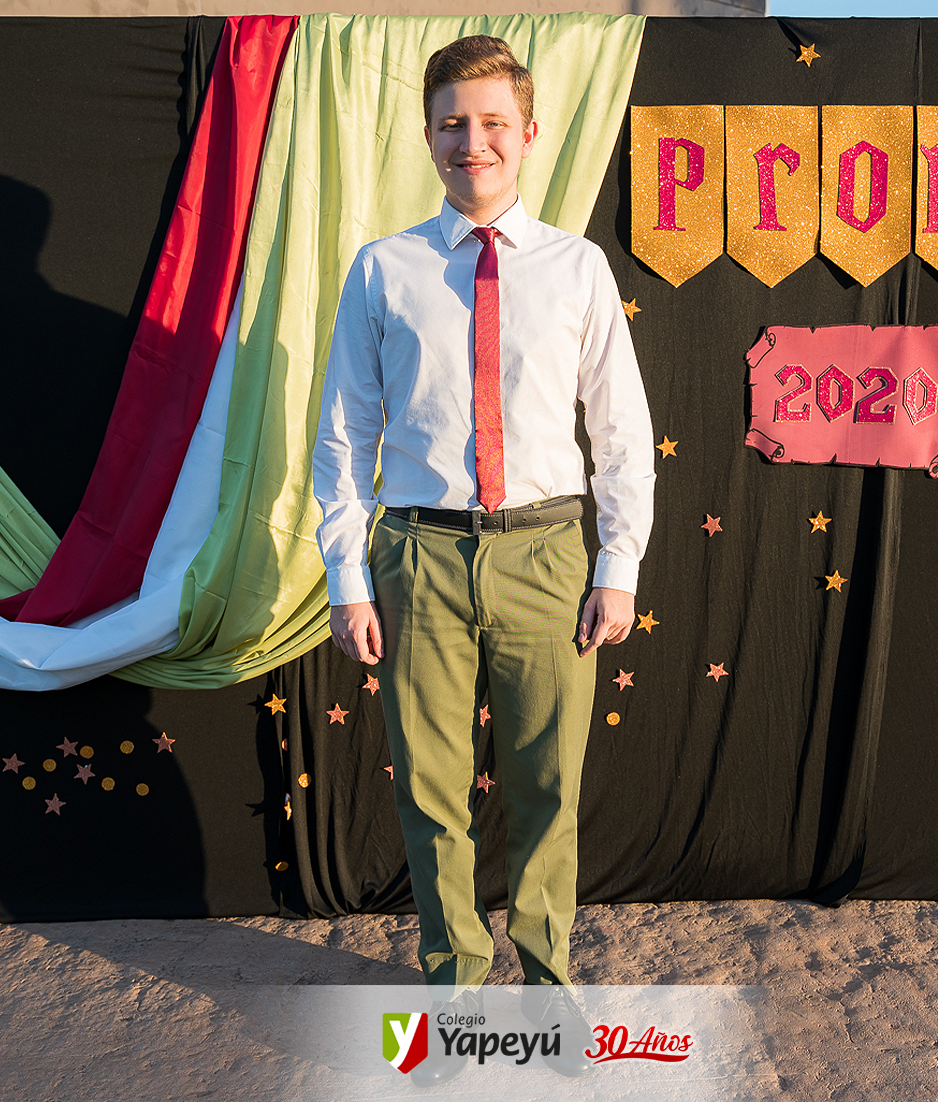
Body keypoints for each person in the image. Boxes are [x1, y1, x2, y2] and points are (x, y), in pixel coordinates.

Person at [312, 33, 654, 1082]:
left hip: (546, 552)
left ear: (530, 132)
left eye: (493, 122)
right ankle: (453, 992)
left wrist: (616, 564)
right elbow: (343, 433)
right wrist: (346, 577)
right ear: (427, 137)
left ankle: (548, 988)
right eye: (453, 123)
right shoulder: (384, 270)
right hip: (416, 555)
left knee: (548, 784)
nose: (474, 142)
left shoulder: (577, 268)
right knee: (430, 792)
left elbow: (620, 432)